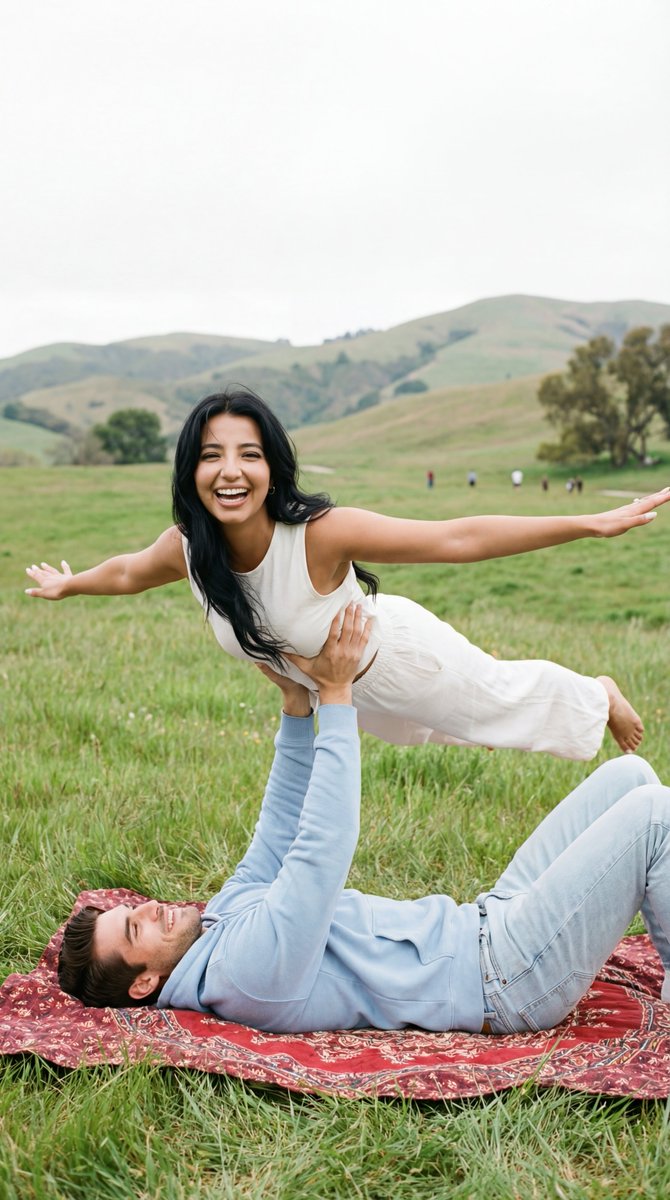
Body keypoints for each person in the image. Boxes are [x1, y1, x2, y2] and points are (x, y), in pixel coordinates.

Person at [57, 605, 670, 1034]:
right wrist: (338, 697)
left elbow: (278, 832)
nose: (147, 909)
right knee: (654, 817)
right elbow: (320, 849)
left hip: (489, 918)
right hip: (508, 978)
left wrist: (297, 710)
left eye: (129, 912)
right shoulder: (243, 974)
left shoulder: (217, 924)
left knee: (631, 781)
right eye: (136, 932)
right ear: (144, 986)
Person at [25, 387, 670, 759]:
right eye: (210, 456)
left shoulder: (319, 535)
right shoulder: (190, 547)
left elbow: (458, 536)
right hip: (345, 696)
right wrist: (69, 582)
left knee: (501, 711)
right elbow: (127, 574)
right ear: (190, 473)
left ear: (272, 467)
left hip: (402, 661)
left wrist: (589, 523)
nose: (230, 471)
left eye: (248, 454)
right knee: (468, 743)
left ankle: (598, 693)